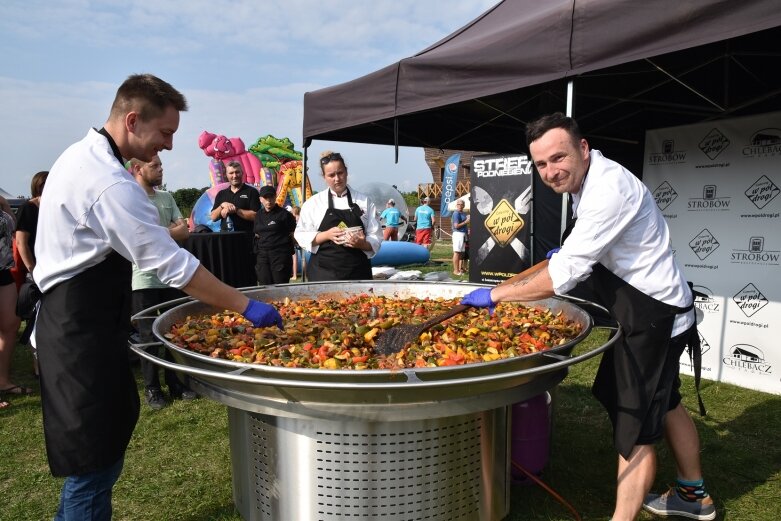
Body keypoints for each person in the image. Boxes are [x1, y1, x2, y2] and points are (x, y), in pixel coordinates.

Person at [33, 73, 282, 520]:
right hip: (77, 335)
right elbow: (175, 267)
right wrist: (247, 305)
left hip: (82, 325)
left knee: (99, 462)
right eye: (165, 133)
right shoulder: (108, 181)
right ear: (132, 120)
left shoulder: (78, 156)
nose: (167, 146)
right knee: (91, 470)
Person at [461, 113, 714, 521]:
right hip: (650, 312)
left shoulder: (608, 188)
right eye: (541, 164)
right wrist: (569, 251)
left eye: (558, 158)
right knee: (664, 403)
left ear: (583, 148)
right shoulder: (587, 179)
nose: (550, 172)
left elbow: (561, 278)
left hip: (655, 318)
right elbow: (588, 251)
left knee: (634, 430)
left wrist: (496, 294)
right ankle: (693, 494)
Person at [126, 156, 195, 410]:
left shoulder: (166, 197)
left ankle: (176, 383)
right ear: (138, 169)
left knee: (173, 332)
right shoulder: (131, 198)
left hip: (171, 275)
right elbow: (138, 237)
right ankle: (152, 389)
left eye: (161, 165)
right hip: (143, 278)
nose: (161, 169)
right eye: (154, 165)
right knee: (148, 337)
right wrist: (169, 232)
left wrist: (158, 233)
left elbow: (185, 232)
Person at [294, 151, 382, 281]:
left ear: (346, 171)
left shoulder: (364, 201)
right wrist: (326, 235)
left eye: (340, 173)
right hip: (323, 273)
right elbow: (301, 234)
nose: (337, 178)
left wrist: (362, 244)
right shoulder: (314, 203)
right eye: (331, 175)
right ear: (324, 177)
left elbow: (376, 236)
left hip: (357, 272)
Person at [0, 200, 26, 408]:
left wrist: (5, 206)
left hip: (3, 270)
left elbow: (13, 226)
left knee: (11, 323)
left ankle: (3, 381)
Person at [254, 185, 296, 284]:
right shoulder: (258, 215)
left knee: (280, 288)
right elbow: (256, 233)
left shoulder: (285, 215)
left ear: (275, 196)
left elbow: (293, 233)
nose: (269, 200)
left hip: (280, 256)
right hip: (263, 256)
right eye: (265, 197)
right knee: (265, 287)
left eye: (271, 197)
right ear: (261, 199)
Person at [209, 161, 260, 233]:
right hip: (225, 238)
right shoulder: (221, 194)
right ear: (226, 175)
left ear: (242, 173)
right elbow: (213, 217)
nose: (235, 176)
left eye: (237, 172)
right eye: (231, 173)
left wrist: (236, 210)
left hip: (246, 237)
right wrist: (222, 205)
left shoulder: (252, 192)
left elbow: (256, 216)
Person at [451, 199, 470, 275]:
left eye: (461, 204)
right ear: (456, 205)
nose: (460, 206)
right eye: (458, 204)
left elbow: (466, 221)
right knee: (457, 252)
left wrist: (468, 218)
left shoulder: (463, 213)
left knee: (461, 253)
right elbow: (456, 226)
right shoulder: (456, 213)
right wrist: (466, 221)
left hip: (463, 234)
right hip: (458, 234)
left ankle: (459, 269)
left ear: (464, 206)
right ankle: (455, 270)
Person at [290, 206, 302, 279]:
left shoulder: (294, 219)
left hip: (295, 240)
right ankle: (305, 273)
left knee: (294, 257)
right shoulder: (301, 218)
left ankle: (294, 275)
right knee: (302, 257)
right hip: (301, 240)